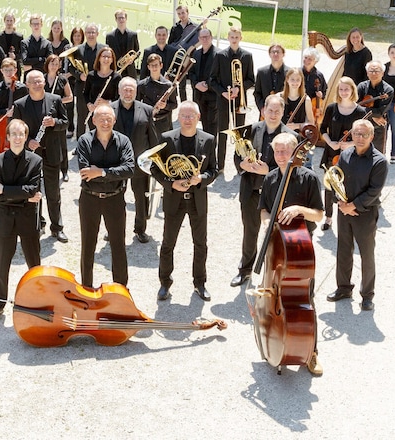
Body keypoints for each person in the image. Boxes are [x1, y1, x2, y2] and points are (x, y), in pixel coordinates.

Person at [258, 132, 325, 375]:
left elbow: (319, 214)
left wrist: (298, 209)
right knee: (272, 291)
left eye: (286, 151)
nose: (281, 156)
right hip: (275, 244)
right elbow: (264, 210)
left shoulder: (308, 178)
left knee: (304, 298)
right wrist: (266, 222)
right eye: (277, 152)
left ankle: (311, 353)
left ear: (296, 153)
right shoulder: (271, 179)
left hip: (299, 245)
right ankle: (274, 341)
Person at [151, 101, 218, 302]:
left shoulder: (208, 140)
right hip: (174, 199)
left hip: (197, 199)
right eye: (183, 116)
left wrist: (202, 179)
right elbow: (155, 169)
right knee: (168, 243)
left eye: (191, 116)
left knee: (200, 244)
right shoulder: (166, 138)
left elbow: (213, 170)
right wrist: (171, 184)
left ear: (198, 118)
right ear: (178, 117)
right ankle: (164, 283)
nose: (187, 120)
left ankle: (200, 283)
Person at [229, 94, 292, 287]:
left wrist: (270, 171)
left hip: (275, 195)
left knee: (274, 235)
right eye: (270, 110)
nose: (273, 114)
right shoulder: (251, 130)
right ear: (263, 110)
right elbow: (237, 155)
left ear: (283, 112)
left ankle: (274, 275)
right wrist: (242, 166)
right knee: (250, 231)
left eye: (277, 111)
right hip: (251, 191)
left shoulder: (290, 137)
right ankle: (245, 269)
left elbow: (294, 169)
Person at [0, 119, 43, 323]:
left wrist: (8, 192)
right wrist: (24, 196)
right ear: (7, 137)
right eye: (14, 134)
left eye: (21, 134)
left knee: (34, 263)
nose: (18, 138)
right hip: (5, 220)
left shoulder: (36, 161)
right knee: (2, 263)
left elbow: (32, 190)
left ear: (26, 137)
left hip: (28, 219)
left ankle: (39, 302)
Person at [328, 119, 388, 312]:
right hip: (344, 210)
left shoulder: (379, 162)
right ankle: (344, 288)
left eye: (364, 134)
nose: (360, 138)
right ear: (351, 135)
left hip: (365, 213)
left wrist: (353, 205)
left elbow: (374, 191)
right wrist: (341, 203)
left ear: (372, 136)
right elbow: (337, 180)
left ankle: (367, 296)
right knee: (343, 250)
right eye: (356, 134)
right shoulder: (345, 154)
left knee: (366, 255)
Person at [77, 104, 135, 287]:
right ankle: (86, 289)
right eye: (101, 118)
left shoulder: (123, 141)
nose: (105, 122)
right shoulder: (84, 141)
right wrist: (113, 173)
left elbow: (130, 169)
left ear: (114, 120)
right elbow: (85, 173)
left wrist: (101, 172)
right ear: (93, 120)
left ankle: (121, 290)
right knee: (88, 246)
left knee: (118, 246)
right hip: (89, 199)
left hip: (114, 199)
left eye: (109, 119)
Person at [13, 70, 69, 243]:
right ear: (27, 84)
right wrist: (28, 141)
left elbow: (66, 122)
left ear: (44, 82)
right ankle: (38, 224)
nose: (38, 84)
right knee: (34, 192)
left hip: (51, 152)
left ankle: (57, 227)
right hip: (31, 155)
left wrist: (54, 122)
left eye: (40, 81)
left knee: (53, 192)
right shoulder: (20, 104)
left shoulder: (55, 100)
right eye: (34, 82)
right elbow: (15, 128)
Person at [111, 77, 158, 244]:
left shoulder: (146, 110)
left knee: (140, 199)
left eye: (131, 89)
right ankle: (113, 230)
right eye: (125, 89)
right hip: (116, 164)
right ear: (119, 91)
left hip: (139, 164)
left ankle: (140, 229)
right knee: (115, 199)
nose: (128, 92)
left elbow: (152, 137)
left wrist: (155, 160)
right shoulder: (110, 109)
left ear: (136, 92)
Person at [319, 77, 367, 231]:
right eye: (341, 89)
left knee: (346, 185)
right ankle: (328, 217)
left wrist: (351, 144)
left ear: (353, 90)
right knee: (329, 185)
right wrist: (330, 142)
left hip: (350, 154)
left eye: (347, 89)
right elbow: (322, 129)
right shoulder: (332, 108)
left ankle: (346, 213)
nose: (344, 92)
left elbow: (363, 134)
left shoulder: (360, 111)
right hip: (331, 151)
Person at [209, 27, 255, 170]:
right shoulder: (220, 55)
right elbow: (212, 79)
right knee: (222, 132)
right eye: (232, 37)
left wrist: (239, 88)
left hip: (239, 100)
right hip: (223, 100)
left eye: (236, 37)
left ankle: (241, 165)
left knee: (240, 134)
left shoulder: (247, 56)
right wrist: (223, 92)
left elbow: (251, 80)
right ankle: (220, 165)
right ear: (228, 38)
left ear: (240, 38)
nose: (234, 40)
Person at [70, 23, 105, 140]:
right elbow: (71, 68)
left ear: (97, 34)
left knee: (96, 117)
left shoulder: (104, 49)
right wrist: (80, 76)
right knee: (81, 118)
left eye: (93, 32)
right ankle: (80, 145)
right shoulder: (78, 49)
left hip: (98, 90)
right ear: (85, 34)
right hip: (82, 89)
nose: (91, 35)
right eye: (88, 32)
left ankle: (96, 143)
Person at [0, 58, 29, 154]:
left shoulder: (22, 88)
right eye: (6, 70)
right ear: (1, 71)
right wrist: (4, 112)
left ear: (15, 70)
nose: (8, 73)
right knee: (0, 147)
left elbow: (26, 107)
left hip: (18, 122)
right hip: (2, 122)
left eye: (11, 70)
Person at [44, 54, 74, 181]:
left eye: (56, 63)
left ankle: (64, 170)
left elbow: (70, 97)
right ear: (47, 64)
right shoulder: (42, 79)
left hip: (59, 115)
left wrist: (56, 100)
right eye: (52, 63)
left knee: (62, 144)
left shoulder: (62, 80)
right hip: (45, 114)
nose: (54, 66)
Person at [356, 61, 393, 153]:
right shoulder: (361, 86)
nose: (374, 73)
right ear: (367, 73)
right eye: (371, 71)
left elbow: (380, 111)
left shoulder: (388, 90)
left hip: (378, 126)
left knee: (377, 154)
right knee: (360, 152)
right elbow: (355, 107)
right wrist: (373, 115)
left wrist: (373, 114)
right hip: (362, 125)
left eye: (377, 71)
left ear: (382, 73)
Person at [188, 28, 218, 141]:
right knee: (198, 124)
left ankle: (210, 152)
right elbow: (191, 72)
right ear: (199, 39)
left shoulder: (218, 54)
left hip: (212, 97)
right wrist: (196, 84)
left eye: (207, 37)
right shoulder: (196, 53)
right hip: (199, 96)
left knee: (211, 128)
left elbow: (219, 76)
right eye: (202, 37)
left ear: (211, 38)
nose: (204, 39)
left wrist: (207, 85)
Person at [137, 53, 176, 137]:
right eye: (152, 65)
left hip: (164, 124)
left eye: (156, 65)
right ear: (148, 67)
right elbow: (137, 105)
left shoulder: (168, 85)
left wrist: (165, 106)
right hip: (147, 122)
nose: (154, 67)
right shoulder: (141, 85)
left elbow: (174, 105)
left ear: (161, 65)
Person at [83, 46, 121, 127]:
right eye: (104, 56)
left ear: (112, 60)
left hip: (110, 112)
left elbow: (119, 98)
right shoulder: (91, 75)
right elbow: (85, 93)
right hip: (95, 112)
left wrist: (107, 102)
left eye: (109, 57)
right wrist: (89, 105)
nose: (106, 59)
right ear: (99, 58)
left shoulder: (116, 77)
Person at [168, 6, 198, 101]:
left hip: (189, 56)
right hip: (178, 57)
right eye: (179, 14)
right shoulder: (175, 28)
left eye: (183, 13)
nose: (181, 15)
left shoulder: (195, 27)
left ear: (187, 13)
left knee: (188, 83)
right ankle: (176, 103)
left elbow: (199, 41)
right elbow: (170, 43)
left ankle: (187, 104)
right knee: (177, 82)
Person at [254, 44, 289, 115]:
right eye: (273, 52)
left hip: (284, 113)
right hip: (266, 112)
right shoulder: (261, 72)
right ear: (269, 54)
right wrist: (262, 107)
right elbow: (257, 93)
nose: (275, 54)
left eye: (278, 52)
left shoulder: (290, 73)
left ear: (283, 54)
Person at [106, 9, 140, 79]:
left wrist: (132, 59)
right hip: (115, 69)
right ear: (116, 19)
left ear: (126, 19)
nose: (121, 20)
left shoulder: (133, 35)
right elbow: (107, 52)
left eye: (123, 18)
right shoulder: (110, 36)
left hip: (130, 71)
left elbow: (137, 51)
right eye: (119, 18)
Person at [281, 68, 315, 132]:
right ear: (287, 79)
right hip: (281, 136)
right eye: (292, 79)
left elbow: (311, 123)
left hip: (298, 137)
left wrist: (297, 126)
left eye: (298, 80)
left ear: (301, 81)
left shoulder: (306, 100)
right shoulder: (279, 97)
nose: (295, 82)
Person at [301, 46, 327, 123]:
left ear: (315, 61)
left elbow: (324, 90)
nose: (306, 60)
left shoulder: (319, 75)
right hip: (299, 105)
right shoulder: (298, 72)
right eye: (305, 57)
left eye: (310, 59)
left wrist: (321, 95)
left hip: (312, 108)